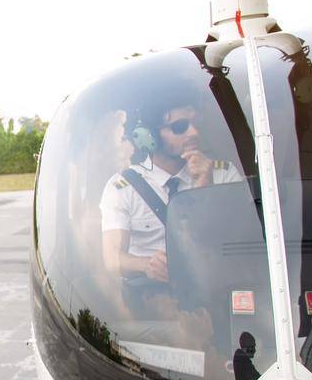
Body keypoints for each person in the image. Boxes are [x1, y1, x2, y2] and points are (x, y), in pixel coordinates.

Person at [99, 98, 241, 307]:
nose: (194, 133)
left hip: (216, 293)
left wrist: (206, 187)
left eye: (195, 124)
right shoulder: (122, 187)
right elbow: (111, 258)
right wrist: (147, 265)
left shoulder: (224, 174)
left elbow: (239, 241)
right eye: (180, 127)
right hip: (156, 300)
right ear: (149, 136)